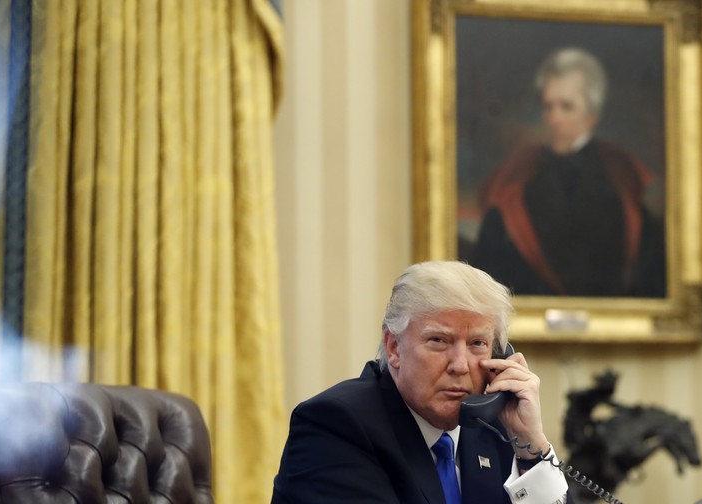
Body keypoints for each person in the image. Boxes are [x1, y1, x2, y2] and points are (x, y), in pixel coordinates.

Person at [271, 261, 569, 503]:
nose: (460, 365)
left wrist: (531, 448)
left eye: (477, 343)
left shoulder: (496, 428)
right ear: (394, 347)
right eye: (439, 340)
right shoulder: (336, 425)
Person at [469, 47, 665, 298]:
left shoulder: (622, 183)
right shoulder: (516, 181)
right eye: (548, 106)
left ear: (592, 115)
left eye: (566, 107)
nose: (553, 118)